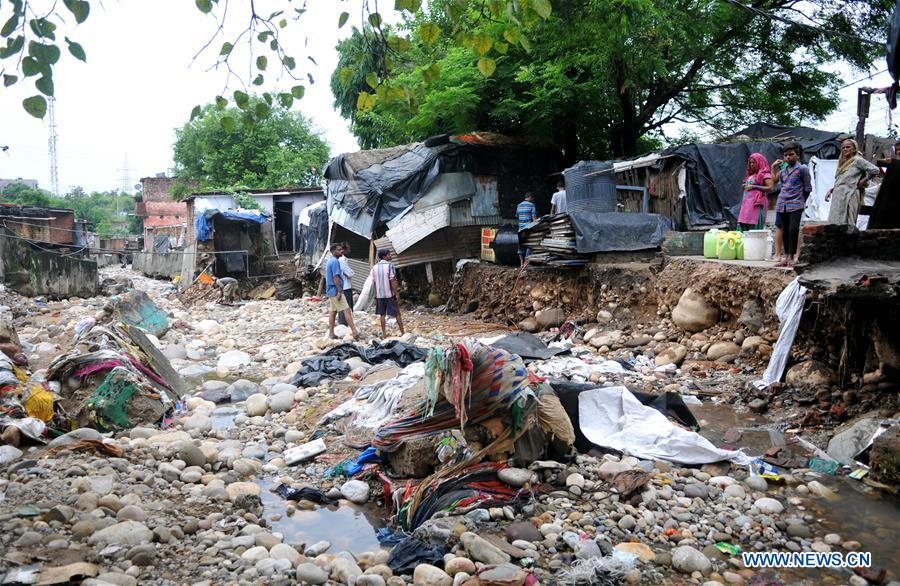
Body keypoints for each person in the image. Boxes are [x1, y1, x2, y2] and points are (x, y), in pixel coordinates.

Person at [770, 142, 811, 268]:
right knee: (785, 231)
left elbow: (808, 188)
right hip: (782, 204)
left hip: (796, 204)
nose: (788, 157)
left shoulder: (803, 169)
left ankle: (793, 257)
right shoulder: (783, 172)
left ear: (797, 155)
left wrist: (801, 201)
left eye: (791, 154)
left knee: (793, 230)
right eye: (786, 155)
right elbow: (780, 185)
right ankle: (786, 257)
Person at [826, 138, 881, 226]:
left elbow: (875, 170)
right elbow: (842, 180)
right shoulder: (842, 163)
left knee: (848, 223)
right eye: (843, 148)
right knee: (835, 222)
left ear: (854, 148)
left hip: (850, 193)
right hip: (839, 194)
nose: (845, 149)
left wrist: (863, 180)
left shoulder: (858, 160)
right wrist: (831, 190)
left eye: (848, 147)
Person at [325, 243, 360, 339]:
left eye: (341, 249)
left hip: (331, 290)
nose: (341, 251)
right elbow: (336, 277)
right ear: (333, 251)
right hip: (336, 290)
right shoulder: (335, 262)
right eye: (339, 250)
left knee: (333, 312)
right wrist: (339, 291)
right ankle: (354, 331)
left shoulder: (330, 261)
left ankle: (331, 333)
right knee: (347, 310)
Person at [371, 249, 405, 338]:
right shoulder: (390, 266)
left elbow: (374, 282)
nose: (390, 256)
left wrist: (375, 295)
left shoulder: (374, 267)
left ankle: (384, 333)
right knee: (397, 313)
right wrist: (396, 293)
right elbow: (393, 280)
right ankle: (403, 333)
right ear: (384, 257)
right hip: (390, 294)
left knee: (382, 314)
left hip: (379, 295)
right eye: (389, 255)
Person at [737, 153, 773, 231]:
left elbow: (770, 188)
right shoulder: (751, 175)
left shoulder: (765, 174)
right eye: (750, 162)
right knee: (744, 227)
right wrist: (745, 186)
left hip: (756, 207)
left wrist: (754, 187)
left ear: (760, 162)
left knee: (754, 230)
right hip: (746, 207)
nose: (752, 164)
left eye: (754, 162)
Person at [337, 241, 354, 326]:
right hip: (345, 286)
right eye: (348, 247)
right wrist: (352, 272)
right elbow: (349, 273)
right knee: (346, 306)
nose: (350, 249)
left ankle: (342, 322)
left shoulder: (340, 259)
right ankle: (344, 323)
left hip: (343, 286)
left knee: (343, 306)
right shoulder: (342, 260)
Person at [516, 192, 537, 266]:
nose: (533, 200)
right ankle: (526, 262)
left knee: (520, 247)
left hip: (520, 229)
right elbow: (534, 219)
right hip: (528, 229)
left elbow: (517, 216)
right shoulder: (532, 205)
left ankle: (521, 264)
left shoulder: (518, 205)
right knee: (530, 245)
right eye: (533, 198)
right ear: (530, 197)